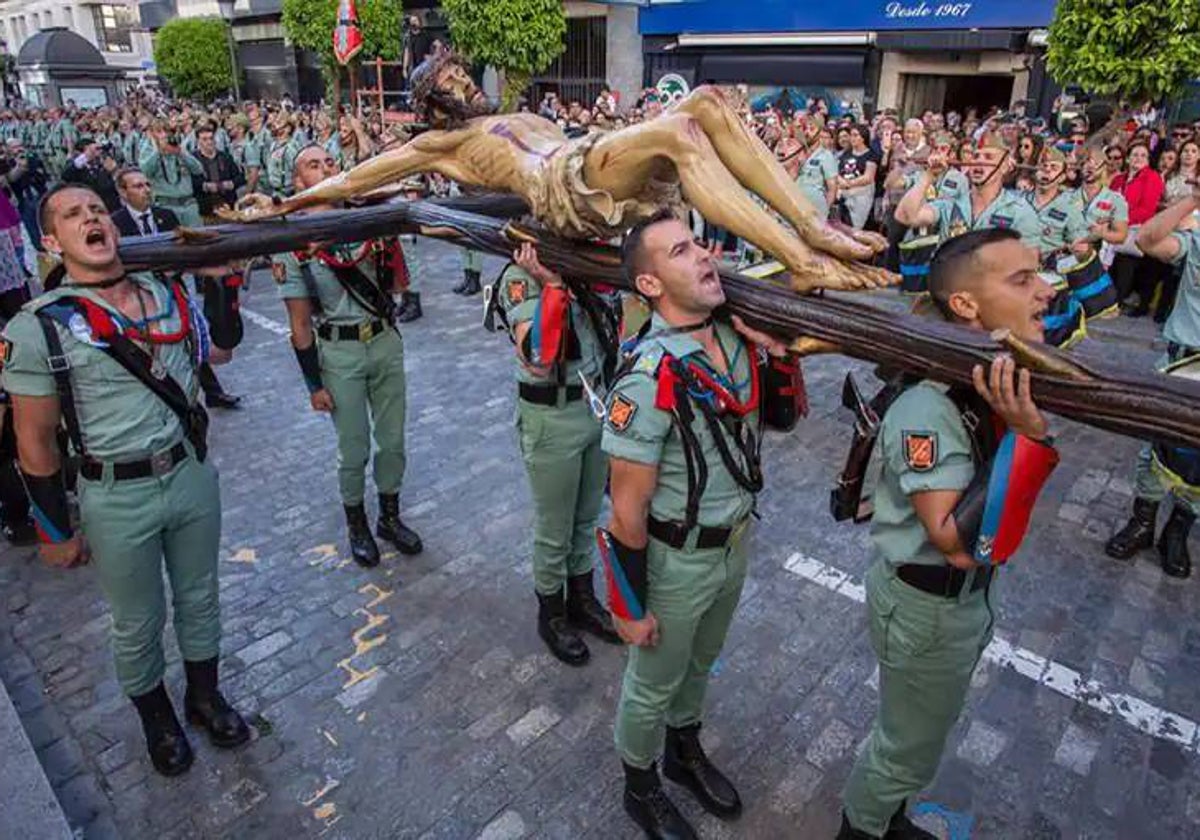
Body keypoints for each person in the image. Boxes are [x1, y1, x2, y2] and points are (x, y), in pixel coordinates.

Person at [2, 184, 250, 776]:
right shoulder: (38, 328)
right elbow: (33, 439)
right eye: (71, 214)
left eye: (96, 210)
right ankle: (156, 720)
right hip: (115, 495)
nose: (90, 218)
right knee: (137, 621)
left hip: (188, 473)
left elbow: (222, 352)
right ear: (50, 241)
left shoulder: (166, 292)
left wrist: (221, 283)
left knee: (200, 598)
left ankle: (204, 696)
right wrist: (54, 530)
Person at [839, 228, 1059, 839]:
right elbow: (958, 544)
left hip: (956, 607)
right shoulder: (928, 407)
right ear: (965, 305)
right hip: (927, 607)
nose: (1046, 291)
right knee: (902, 748)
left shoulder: (980, 375)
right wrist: (1028, 438)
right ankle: (860, 829)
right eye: (1022, 280)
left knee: (920, 734)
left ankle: (889, 817)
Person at [601, 210, 803, 839]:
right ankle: (641, 787)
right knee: (652, 681)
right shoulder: (648, 375)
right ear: (651, 285)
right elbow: (626, 508)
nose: (706, 256)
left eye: (701, 244)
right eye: (682, 251)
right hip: (675, 559)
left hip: (733, 542)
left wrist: (778, 356)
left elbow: (785, 419)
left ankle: (682, 753)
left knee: (701, 663)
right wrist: (629, 606)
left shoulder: (738, 338)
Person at [272, 146, 423, 567]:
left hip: (384, 342)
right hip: (338, 351)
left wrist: (386, 230)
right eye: (313, 165)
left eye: (330, 162)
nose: (325, 169)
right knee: (353, 445)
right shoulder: (292, 242)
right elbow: (299, 323)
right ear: (298, 182)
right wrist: (313, 384)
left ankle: (389, 518)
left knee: (392, 440)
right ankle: (356, 522)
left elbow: (395, 284)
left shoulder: (365, 221)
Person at [497, 242, 622, 664]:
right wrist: (551, 285)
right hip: (551, 417)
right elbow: (536, 355)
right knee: (555, 527)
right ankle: (551, 614)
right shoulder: (518, 278)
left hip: (593, 408)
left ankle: (581, 600)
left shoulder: (587, 268)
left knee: (586, 518)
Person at [1106, 183, 1200, 577]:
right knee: (1156, 447)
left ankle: (1177, 530)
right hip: (1184, 362)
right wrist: (1193, 198)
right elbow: (1146, 239)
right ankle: (1143, 522)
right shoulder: (1197, 236)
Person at [112, 168, 242, 410]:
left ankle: (212, 392)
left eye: (147, 184)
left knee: (193, 339)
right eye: (138, 186)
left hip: (173, 292)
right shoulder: (116, 224)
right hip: (142, 300)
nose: (146, 190)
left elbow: (183, 255)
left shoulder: (166, 216)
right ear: (123, 191)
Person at [896, 131, 1041, 246]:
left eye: (989, 157)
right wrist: (928, 176)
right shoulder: (950, 204)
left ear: (1004, 167)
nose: (979, 162)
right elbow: (905, 216)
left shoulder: (1021, 212)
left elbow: (1029, 261)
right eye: (976, 156)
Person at [1109, 141, 1165, 316]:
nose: (1138, 158)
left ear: (1148, 160)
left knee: (1126, 263)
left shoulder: (1152, 178)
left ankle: (1116, 303)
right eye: (1135, 154)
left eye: (1143, 155)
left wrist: (1120, 220)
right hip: (1111, 225)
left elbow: (1147, 209)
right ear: (1127, 159)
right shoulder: (1119, 179)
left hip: (1134, 228)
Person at [139, 125, 205, 227]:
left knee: (198, 238)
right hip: (165, 205)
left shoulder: (179, 149)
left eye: (167, 132)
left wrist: (181, 153)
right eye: (159, 132)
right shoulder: (148, 150)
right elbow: (145, 171)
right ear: (152, 134)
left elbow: (198, 170)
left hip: (189, 204)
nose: (164, 135)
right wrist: (158, 152)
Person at [193, 126, 244, 223]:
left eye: (211, 138)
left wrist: (231, 184)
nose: (209, 142)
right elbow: (190, 182)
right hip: (205, 208)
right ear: (198, 141)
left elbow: (240, 177)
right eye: (204, 139)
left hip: (227, 206)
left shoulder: (225, 157)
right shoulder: (194, 159)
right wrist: (205, 186)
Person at [62, 138, 121, 212]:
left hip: (113, 206)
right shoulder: (76, 166)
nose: (97, 152)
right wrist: (86, 157)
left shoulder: (104, 162)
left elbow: (112, 186)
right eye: (94, 149)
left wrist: (114, 172)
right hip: (93, 207)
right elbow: (66, 176)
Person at [837, 125, 879, 230]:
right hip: (844, 195)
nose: (852, 138)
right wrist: (841, 181)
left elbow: (868, 177)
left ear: (863, 137)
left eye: (855, 135)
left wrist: (849, 184)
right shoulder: (846, 153)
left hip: (861, 197)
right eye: (851, 135)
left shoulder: (871, 155)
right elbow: (837, 172)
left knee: (855, 227)